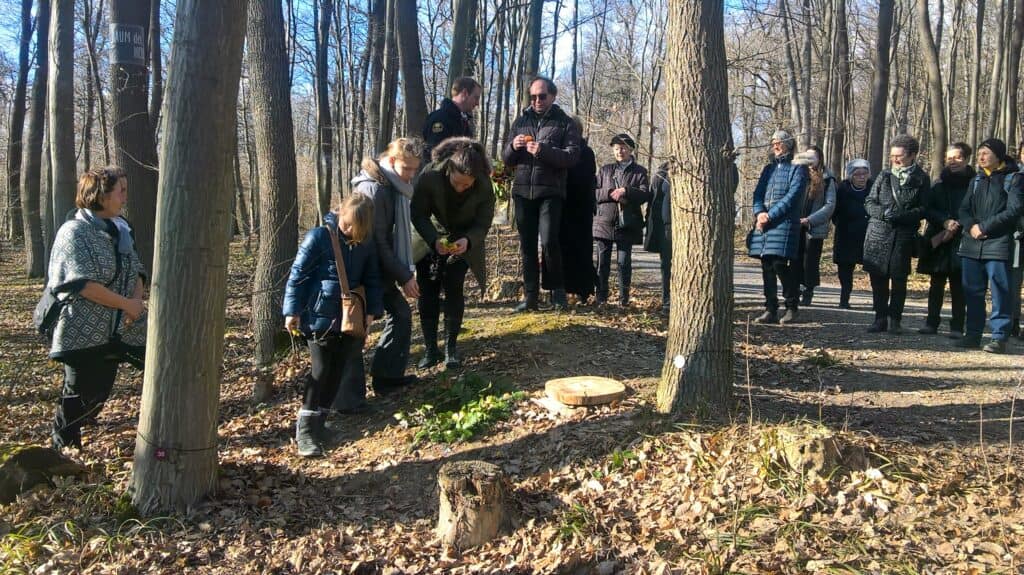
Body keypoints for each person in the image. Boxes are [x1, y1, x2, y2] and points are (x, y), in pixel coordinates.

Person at [45, 167, 147, 451]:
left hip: (115, 328)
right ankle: (63, 448)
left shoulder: (121, 228)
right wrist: (126, 304)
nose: (125, 197)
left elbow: (136, 268)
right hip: (81, 330)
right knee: (76, 394)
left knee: (99, 393)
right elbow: (82, 284)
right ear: (100, 195)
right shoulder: (75, 232)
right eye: (120, 191)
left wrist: (136, 301)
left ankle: (75, 436)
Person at [283, 194, 383, 457]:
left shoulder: (365, 243)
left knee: (338, 369)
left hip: (350, 319)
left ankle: (320, 424)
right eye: (347, 224)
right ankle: (304, 431)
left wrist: (372, 310)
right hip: (319, 317)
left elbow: (372, 277)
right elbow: (298, 275)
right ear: (341, 211)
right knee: (321, 369)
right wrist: (292, 311)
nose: (348, 230)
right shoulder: (318, 237)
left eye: (354, 228)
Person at [412, 137, 496, 369]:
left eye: (466, 185)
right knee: (427, 291)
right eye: (457, 182)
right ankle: (430, 349)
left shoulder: (484, 185)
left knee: (454, 290)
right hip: (430, 236)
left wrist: (468, 240)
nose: (461, 188)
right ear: (449, 168)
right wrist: (433, 239)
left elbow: (483, 222)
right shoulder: (429, 176)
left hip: (463, 241)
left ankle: (451, 348)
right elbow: (417, 214)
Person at [352, 138, 423, 401]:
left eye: (415, 169)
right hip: (365, 269)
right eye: (407, 169)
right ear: (392, 161)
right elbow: (377, 241)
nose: (411, 175)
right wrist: (404, 276)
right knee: (357, 330)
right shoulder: (374, 189)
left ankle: (386, 377)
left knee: (402, 314)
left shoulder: (392, 186)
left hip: (381, 266)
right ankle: (351, 395)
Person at [502, 76, 581, 311]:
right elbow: (506, 159)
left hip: (550, 192)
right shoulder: (520, 122)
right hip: (522, 191)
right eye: (533, 96)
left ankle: (557, 294)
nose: (537, 100)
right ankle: (530, 297)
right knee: (527, 245)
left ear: (553, 96)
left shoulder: (565, 123)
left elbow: (572, 157)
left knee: (548, 242)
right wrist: (512, 148)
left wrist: (544, 151)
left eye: (542, 96)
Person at [956, 138, 1024, 353]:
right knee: (972, 291)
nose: (981, 158)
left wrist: (985, 227)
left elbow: (1014, 210)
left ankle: (999, 336)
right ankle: (973, 334)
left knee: (1000, 291)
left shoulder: (1013, 179)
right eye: (979, 153)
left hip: (999, 243)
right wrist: (972, 227)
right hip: (971, 243)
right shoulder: (975, 180)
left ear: (998, 155)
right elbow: (964, 210)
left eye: (985, 153)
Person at [863, 134, 930, 334]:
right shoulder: (884, 176)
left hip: (903, 235)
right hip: (878, 234)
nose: (894, 160)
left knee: (899, 279)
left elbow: (924, 208)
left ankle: (895, 319)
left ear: (911, 155)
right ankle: (880, 318)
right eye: (892, 156)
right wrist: (883, 214)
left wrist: (903, 216)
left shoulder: (922, 178)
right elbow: (869, 202)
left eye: (899, 156)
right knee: (878, 278)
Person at [748, 130, 808, 324]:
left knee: (780, 265)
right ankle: (770, 308)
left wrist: (770, 215)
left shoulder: (798, 168)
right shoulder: (768, 169)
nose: (775, 145)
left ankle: (792, 306)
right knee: (766, 265)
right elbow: (758, 194)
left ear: (788, 145)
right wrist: (759, 213)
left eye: (779, 142)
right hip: (764, 223)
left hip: (784, 223)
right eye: (773, 141)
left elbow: (793, 196)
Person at [917, 143, 974, 337]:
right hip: (939, 238)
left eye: (957, 157)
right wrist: (944, 222)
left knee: (959, 285)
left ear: (966, 159)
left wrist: (959, 224)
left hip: (964, 238)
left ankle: (957, 326)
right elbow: (927, 208)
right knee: (936, 283)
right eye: (949, 158)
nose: (953, 161)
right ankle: (931, 322)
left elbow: (978, 209)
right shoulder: (938, 183)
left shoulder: (975, 183)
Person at [543, 116, 597, 303]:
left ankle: (582, 290)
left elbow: (584, 180)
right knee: (556, 247)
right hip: (558, 205)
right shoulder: (556, 150)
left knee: (580, 249)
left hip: (579, 208)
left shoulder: (586, 152)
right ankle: (558, 289)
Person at [593, 133, 651, 306]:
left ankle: (623, 300)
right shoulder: (605, 170)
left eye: (623, 148)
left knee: (624, 263)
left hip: (627, 224)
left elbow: (645, 194)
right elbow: (593, 192)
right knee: (602, 263)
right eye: (617, 149)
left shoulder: (640, 172)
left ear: (631, 149)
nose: (620, 151)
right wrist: (610, 193)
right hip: (604, 222)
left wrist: (626, 191)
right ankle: (601, 298)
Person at [794, 146, 837, 306]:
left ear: (820, 159)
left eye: (814, 157)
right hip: (795, 225)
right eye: (808, 157)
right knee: (795, 259)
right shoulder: (798, 175)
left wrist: (810, 220)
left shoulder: (827, 178)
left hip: (814, 227)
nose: (811, 160)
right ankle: (794, 290)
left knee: (810, 261)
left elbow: (830, 205)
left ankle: (808, 290)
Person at [832, 159, 872, 309]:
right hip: (846, 235)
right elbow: (834, 212)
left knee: (874, 269)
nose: (862, 177)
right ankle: (844, 299)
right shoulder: (842, 189)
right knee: (845, 270)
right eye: (857, 174)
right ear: (851, 176)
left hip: (868, 235)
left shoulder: (874, 188)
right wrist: (842, 224)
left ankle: (878, 302)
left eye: (865, 173)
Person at [422, 77, 481, 160]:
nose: (477, 103)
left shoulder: (463, 121)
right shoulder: (440, 118)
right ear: (464, 93)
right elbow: (436, 156)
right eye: (476, 97)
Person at [645, 162, 672, 312]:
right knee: (666, 265)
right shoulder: (661, 172)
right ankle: (667, 301)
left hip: (687, 226)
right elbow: (653, 200)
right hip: (665, 226)